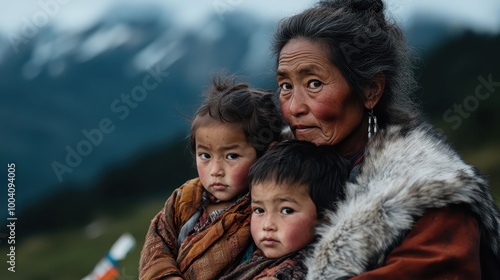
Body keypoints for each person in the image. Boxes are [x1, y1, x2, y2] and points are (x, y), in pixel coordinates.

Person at [272, 0, 500, 279]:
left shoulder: (434, 201)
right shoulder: (265, 171)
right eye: (285, 86)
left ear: (371, 90)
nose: (294, 107)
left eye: (314, 84)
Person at [139, 75, 286, 280]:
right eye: (205, 156)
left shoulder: (263, 211)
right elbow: (158, 243)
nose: (216, 170)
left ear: (266, 155)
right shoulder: (184, 199)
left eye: (231, 156)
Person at [221, 140, 351, 280]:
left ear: (325, 217)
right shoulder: (248, 255)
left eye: (286, 211)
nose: (267, 225)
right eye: (259, 210)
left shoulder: (296, 271)